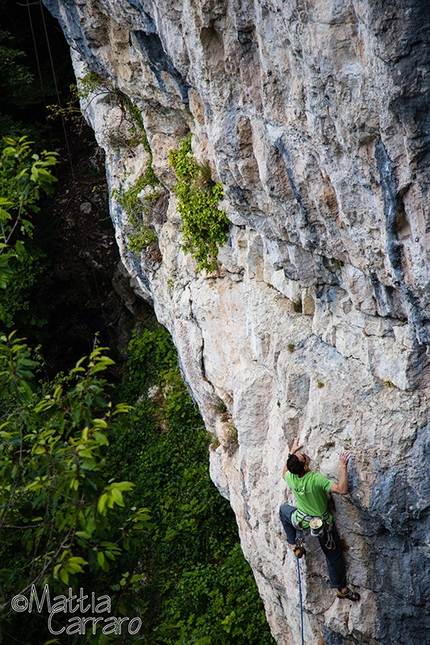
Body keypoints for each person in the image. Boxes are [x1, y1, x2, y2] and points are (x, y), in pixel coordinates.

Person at [279, 436, 360, 602]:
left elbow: (284, 472)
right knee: (334, 555)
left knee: (283, 510)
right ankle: (341, 589)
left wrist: (292, 452)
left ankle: (295, 544)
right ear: (306, 465)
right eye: (303, 457)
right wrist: (343, 466)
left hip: (300, 520)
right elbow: (342, 489)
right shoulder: (316, 479)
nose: (305, 455)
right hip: (321, 525)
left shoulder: (292, 478)